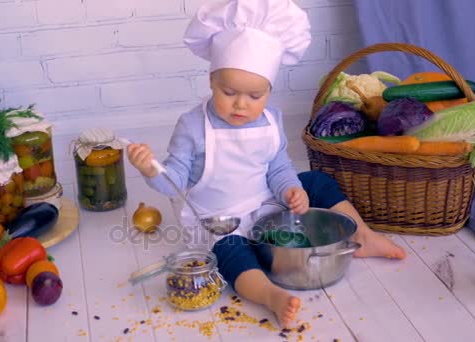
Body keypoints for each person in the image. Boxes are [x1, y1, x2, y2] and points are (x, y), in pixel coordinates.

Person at [127, 0, 406, 328]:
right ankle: (270, 294)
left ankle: (363, 235)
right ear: (211, 81)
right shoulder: (193, 126)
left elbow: (278, 168)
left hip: (267, 206)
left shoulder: (271, 121)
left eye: (255, 96)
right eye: (228, 92)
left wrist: (291, 189)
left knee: (315, 181)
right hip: (219, 222)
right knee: (231, 253)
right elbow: (173, 180)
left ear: (269, 91)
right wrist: (150, 169)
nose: (241, 104)